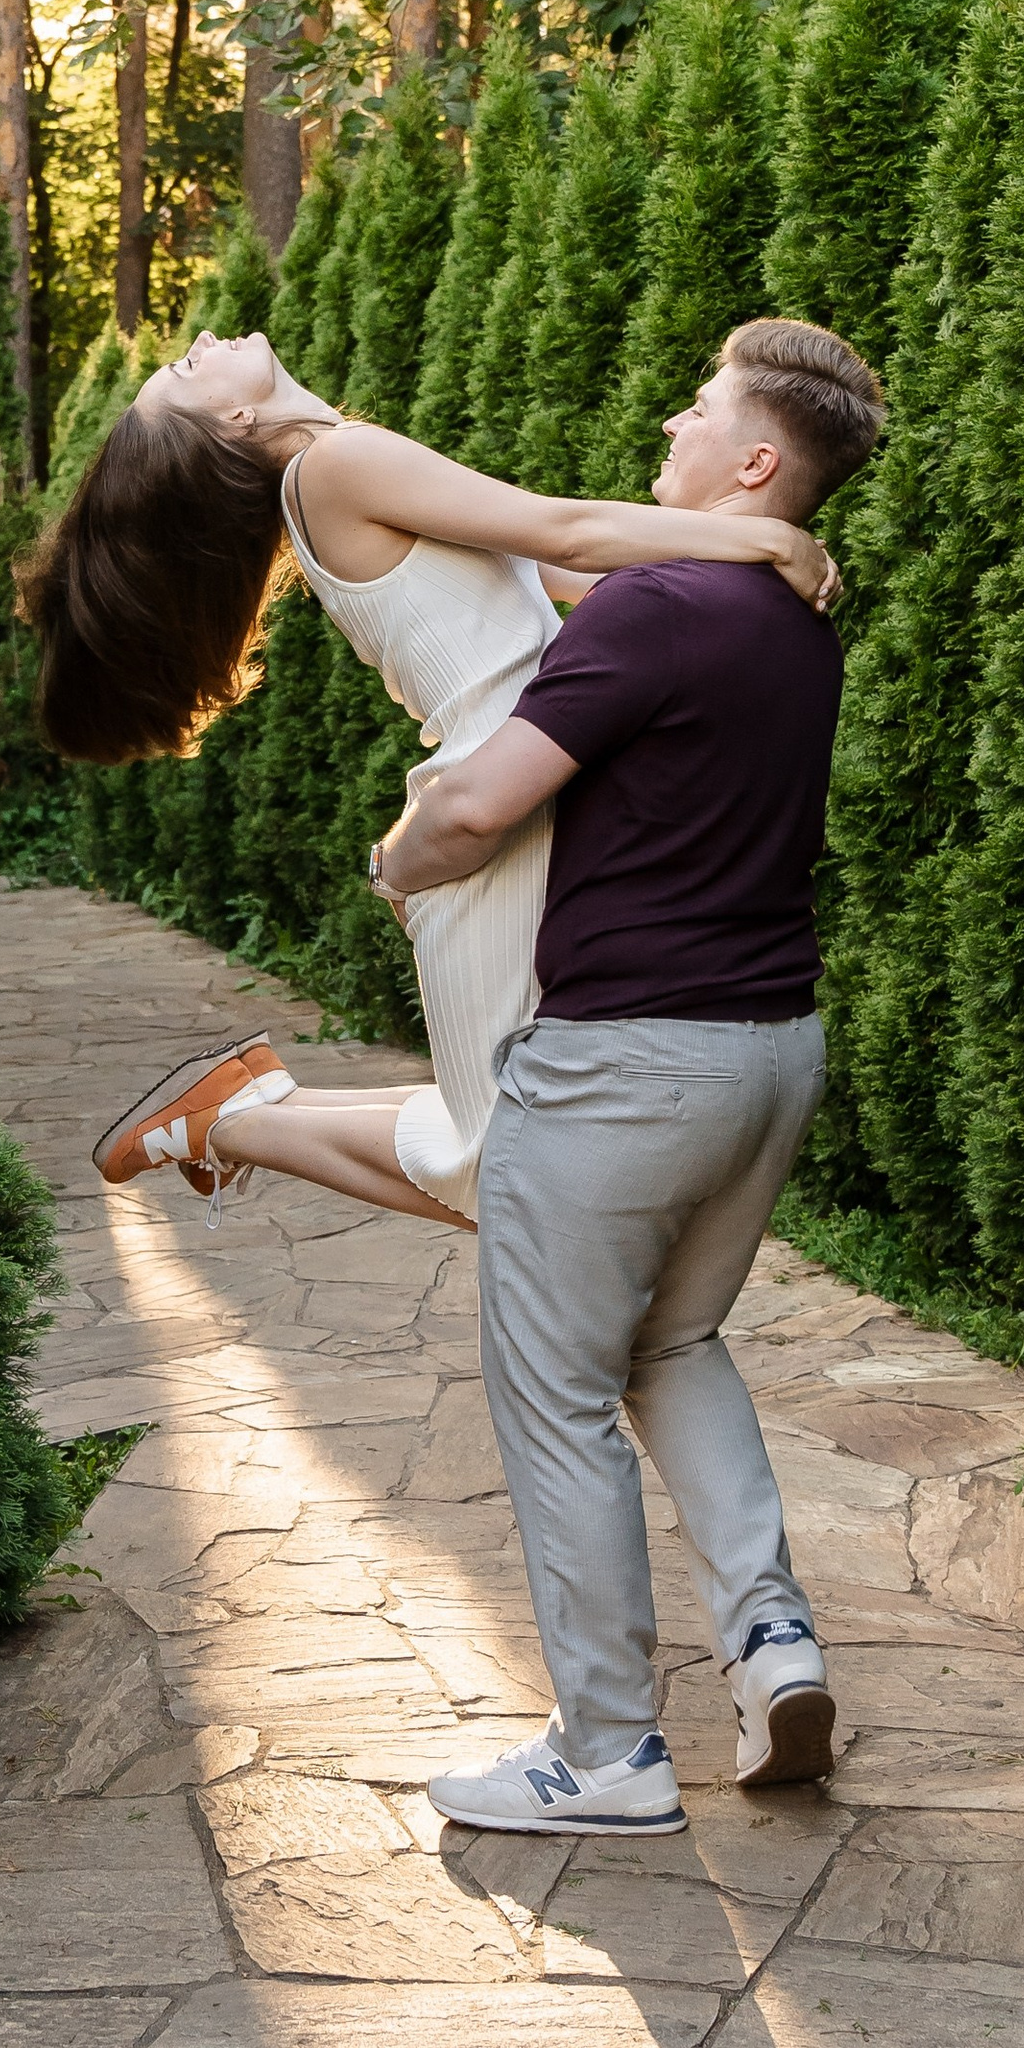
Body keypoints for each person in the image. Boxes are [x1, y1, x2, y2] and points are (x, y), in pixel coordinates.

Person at [362, 321, 885, 1839]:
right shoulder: (788, 619)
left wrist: (401, 862)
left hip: (625, 1069)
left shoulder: (661, 609)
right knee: (677, 1347)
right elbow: (558, 566)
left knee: (558, 1397)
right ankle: (771, 1639)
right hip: (770, 1052)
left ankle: (605, 1755)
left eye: (702, 407)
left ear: (758, 462)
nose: (672, 417)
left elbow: (475, 803)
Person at [16, 323, 837, 1233]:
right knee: (506, 1175)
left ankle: (242, 1106)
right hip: (494, 816)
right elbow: (572, 529)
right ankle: (239, 1125)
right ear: (236, 417)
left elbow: (563, 568)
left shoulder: (340, 463)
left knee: (521, 1140)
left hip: (538, 792)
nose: (203, 338)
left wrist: (740, 540)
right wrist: (772, 542)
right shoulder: (338, 468)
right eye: (186, 368)